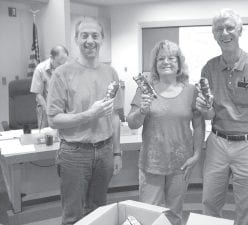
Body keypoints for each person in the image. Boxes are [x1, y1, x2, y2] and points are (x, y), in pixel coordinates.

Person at [196, 9, 248, 225]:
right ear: (214, 34)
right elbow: (209, 113)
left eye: (229, 28)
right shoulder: (209, 68)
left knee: (247, 207)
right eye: (218, 29)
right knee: (209, 203)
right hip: (217, 142)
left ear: (239, 31)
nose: (224, 33)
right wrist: (205, 108)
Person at [47, 17, 123, 225]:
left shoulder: (111, 72)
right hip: (75, 153)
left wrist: (117, 152)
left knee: (99, 210)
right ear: (76, 39)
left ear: (102, 39)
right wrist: (89, 115)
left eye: (95, 35)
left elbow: (115, 116)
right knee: (73, 213)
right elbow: (53, 119)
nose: (90, 40)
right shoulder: (62, 73)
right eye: (84, 35)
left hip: (106, 151)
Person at [127, 40, 204, 225]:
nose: (166, 62)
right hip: (151, 163)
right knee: (148, 214)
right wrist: (142, 111)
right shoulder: (145, 89)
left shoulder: (191, 91)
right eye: (161, 58)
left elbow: (199, 124)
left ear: (179, 63)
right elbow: (132, 123)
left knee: (174, 214)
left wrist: (197, 154)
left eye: (171, 58)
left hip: (181, 164)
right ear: (155, 64)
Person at [30, 45, 69, 129]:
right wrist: (49, 111)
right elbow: (38, 95)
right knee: (46, 137)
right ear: (51, 57)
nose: (61, 67)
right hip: (45, 108)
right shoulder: (40, 69)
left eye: (64, 63)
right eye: (59, 63)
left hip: (63, 109)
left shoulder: (67, 68)